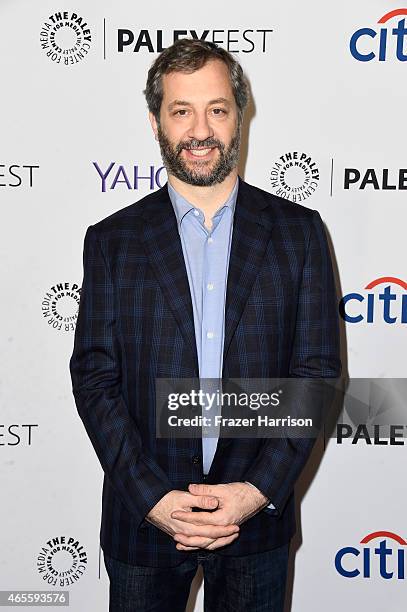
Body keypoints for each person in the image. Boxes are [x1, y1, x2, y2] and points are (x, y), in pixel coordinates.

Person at [69, 38, 341, 611]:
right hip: (143, 524)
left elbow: (315, 376)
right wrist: (154, 500)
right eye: (181, 110)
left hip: (255, 527)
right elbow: (96, 380)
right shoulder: (112, 240)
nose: (201, 130)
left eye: (217, 109)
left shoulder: (299, 233)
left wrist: (255, 492)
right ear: (155, 121)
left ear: (239, 115)